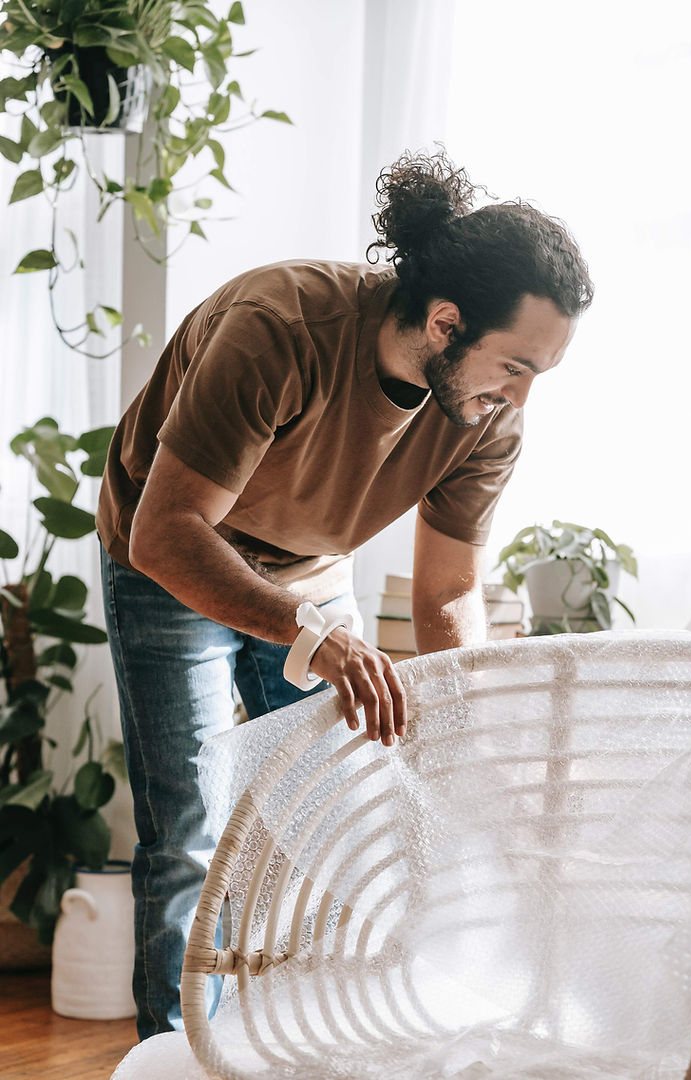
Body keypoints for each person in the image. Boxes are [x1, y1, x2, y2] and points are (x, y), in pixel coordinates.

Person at [97, 148, 593, 1039]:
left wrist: (469, 734)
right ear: (446, 324)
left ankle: (304, 1043)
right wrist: (312, 635)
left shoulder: (487, 417)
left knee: (350, 820)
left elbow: (447, 595)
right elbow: (167, 534)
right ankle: (173, 1054)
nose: (522, 397)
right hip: (172, 554)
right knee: (191, 830)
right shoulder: (279, 325)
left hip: (308, 571)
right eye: (515, 366)